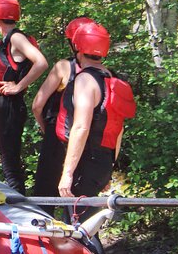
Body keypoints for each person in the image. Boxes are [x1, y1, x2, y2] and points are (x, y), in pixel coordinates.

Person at [56, 23, 136, 222]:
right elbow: (118, 130)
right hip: (102, 163)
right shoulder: (112, 79)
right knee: (86, 227)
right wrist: (109, 168)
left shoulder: (85, 80)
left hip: (85, 164)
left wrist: (67, 173)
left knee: (76, 229)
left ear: (78, 48)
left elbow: (81, 127)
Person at [30, 16, 95, 215]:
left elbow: (37, 105)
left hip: (57, 137)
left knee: (44, 193)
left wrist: (47, 130)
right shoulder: (104, 74)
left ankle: (40, 238)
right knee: (76, 200)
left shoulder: (63, 67)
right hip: (86, 142)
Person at [0, 0, 48, 195]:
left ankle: (17, 196)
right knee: (7, 154)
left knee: (9, 156)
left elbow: (41, 63)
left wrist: (19, 86)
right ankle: (16, 193)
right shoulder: (9, 39)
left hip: (11, 104)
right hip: (6, 104)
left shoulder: (16, 38)